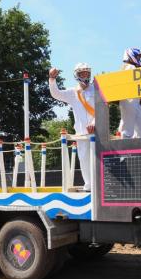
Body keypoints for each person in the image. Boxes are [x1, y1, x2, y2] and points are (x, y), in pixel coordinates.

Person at [48, 63, 95, 191]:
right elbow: (56, 94)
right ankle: (89, 186)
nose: (85, 75)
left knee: (99, 158)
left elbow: (102, 108)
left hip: (96, 132)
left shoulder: (97, 89)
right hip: (81, 133)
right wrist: (52, 79)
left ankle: (100, 185)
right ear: (77, 75)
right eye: (82, 73)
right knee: (84, 159)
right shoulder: (73, 92)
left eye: (87, 73)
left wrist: (94, 123)